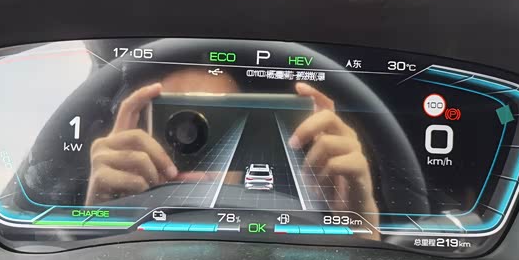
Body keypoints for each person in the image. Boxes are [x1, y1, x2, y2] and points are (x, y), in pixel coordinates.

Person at [85, 67, 379, 230]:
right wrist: (100, 213)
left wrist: (354, 222)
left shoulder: (294, 225)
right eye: (175, 123)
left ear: (247, 139)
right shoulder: (127, 209)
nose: (194, 141)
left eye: (222, 126)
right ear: (140, 138)